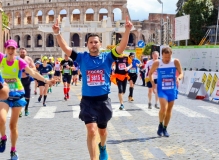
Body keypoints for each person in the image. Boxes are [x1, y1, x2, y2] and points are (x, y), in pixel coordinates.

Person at [52, 16, 132, 160]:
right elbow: (65, 48)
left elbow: (121, 47)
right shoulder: (81, 57)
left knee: (102, 132)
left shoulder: (108, 57)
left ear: (100, 44)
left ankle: (103, 146)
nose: (93, 44)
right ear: (87, 44)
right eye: (91, 42)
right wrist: (57, 33)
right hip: (88, 102)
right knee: (91, 131)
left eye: (96, 42)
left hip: (103, 101)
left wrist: (127, 31)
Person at [0, 39, 54, 160]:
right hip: (3, 94)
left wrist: (46, 81)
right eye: (8, 48)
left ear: (16, 50)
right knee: (1, 119)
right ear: (5, 49)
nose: (10, 50)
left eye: (13, 48)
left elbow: (33, 73)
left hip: (17, 93)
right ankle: (3, 138)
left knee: (13, 125)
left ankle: (13, 150)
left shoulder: (19, 61)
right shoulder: (1, 58)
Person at [149, 47, 183, 137]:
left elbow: (181, 73)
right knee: (163, 108)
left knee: (169, 110)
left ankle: (165, 128)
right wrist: (153, 84)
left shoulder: (175, 61)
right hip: (162, 89)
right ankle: (160, 124)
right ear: (162, 55)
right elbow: (150, 73)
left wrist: (178, 78)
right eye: (165, 57)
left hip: (172, 89)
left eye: (168, 57)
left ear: (171, 55)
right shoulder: (157, 63)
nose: (167, 59)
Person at [19, 48, 36, 117]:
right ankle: (19, 111)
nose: (22, 53)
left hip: (27, 79)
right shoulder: (17, 59)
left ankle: (26, 109)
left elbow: (34, 68)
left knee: (27, 96)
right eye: (21, 52)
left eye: (23, 52)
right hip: (19, 80)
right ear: (19, 53)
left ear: (26, 53)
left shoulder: (29, 59)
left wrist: (28, 70)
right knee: (19, 96)